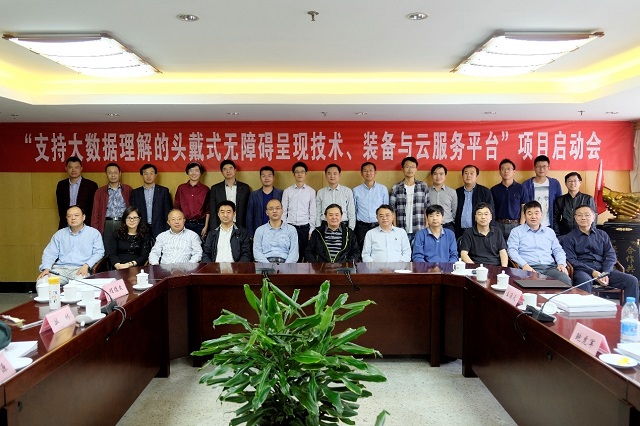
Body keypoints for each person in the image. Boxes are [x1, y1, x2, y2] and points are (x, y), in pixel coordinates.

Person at [561, 205, 639, 299]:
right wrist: (592, 272)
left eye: (587, 215)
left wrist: (606, 272)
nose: (583, 218)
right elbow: (571, 260)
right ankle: (585, 308)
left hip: (603, 269)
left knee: (631, 280)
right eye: (579, 215)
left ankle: (630, 308)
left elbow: (611, 255)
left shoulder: (602, 234)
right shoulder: (569, 238)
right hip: (583, 270)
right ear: (575, 218)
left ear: (593, 217)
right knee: (584, 280)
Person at [507, 200, 571, 285]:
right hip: (530, 268)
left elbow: (557, 250)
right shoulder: (516, 232)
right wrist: (524, 265)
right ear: (524, 215)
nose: (533, 216)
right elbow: (512, 251)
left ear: (541, 215)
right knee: (536, 285)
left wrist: (561, 263)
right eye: (530, 213)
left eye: (536, 213)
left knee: (565, 280)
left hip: (550, 268)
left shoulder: (549, 232)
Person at [37, 206, 104, 284]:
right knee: (42, 282)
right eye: (69, 216)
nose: (73, 218)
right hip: (60, 270)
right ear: (66, 218)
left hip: (81, 269)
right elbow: (50, 253)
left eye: (76, 215)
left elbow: (99, 253)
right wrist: (46, 268)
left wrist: (87, 265)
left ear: (83, 217)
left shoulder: (93, 233)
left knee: (80, 284)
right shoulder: (60, 234)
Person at [91, 162, 133, 255]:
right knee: (108, 249)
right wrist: (95, 231)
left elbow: (132, 209)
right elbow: (95, 213)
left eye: (115, 172)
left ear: (120, 174)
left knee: (124, 248)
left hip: (124, 223)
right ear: (106, 174)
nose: (113, 175)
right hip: (107, 224)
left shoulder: (128, 189)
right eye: (110, 173)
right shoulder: (100, 192)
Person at [389, 157, 429, 245]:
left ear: (416, 169)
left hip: (419, 228)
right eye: (407, 166)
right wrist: (395, 226)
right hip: (401, 229)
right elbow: (393, 209)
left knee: (418, 252)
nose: (410, 169)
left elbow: (426, 207)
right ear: (402, 169)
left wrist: (426, 225)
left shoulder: (423, 186)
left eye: (412, 167)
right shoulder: (396, 188)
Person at [282, 161, 316, 262]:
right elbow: (283, 211)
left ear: (306, 174)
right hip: (290, 226)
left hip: (305, 228)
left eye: (302, 172)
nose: (299, 174)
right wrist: (284, 228)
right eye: (297, 172)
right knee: (291, 253)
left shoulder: (311, 191)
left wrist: (311, 230)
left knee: (304, 254)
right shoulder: (287, 191)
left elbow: (313, 212)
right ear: (293, 174)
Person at [352, 162, 389, 252]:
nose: (368, 173)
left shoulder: (382, 189)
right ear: (361, 173)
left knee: (379, 250)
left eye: (370, 170)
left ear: (375, 172)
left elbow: (386, 209)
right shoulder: (356, 190)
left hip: (378, 225)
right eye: (365, 171)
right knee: (362, 251)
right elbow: (354, 210)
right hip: (361, 227)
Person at [130, 163, 173, 238]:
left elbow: (168, 212)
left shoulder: (164, 191)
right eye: (145, 174)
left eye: (151, 173)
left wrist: (168, 230)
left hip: (160, 228)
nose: (148, 176)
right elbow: (132, 213)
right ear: (142, 175)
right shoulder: (135, 193)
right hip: (141, 229)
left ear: (155, 175)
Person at [459, 202, 508, 267]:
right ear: (475, 217)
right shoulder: (468, 233)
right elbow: (463, 254)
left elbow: (503, 252)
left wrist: (503, 268)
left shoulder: (497, 232)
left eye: (486, 214)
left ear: (491, 217)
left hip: (495, 267)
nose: (483, 217)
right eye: (480, 214)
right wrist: (475, 268)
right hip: (475, 267)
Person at [56, 156, 98, 229]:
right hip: (66, 224)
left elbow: (93, 208)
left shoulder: (91, 185)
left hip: (85, 224)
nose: (73, 170)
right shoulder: (61, 185)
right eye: (70, 167)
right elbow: (60, 208)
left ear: (81, 168)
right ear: (66, 168)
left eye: (76, 167)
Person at [490, 159, 527, 239]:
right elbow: (491, 209)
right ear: (500, 172)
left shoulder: (521, 188)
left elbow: (524, 208)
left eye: (508, 169)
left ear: (514, 172)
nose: (506, 171)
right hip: (498, 224)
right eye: (503, 169)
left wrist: (521, 225)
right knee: (498, 246)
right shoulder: (494, 190)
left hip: (515, 224)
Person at [454, 164, 494, 238]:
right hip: (460, 231)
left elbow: (491, 211)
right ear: (462, 176)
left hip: (478, 231)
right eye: (466, 173)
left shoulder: (485, 191)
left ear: (476, 176)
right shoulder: (457, 192)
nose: (468, 176)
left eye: (472, 173)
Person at [522, 155, 562, 229]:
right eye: (538, 167)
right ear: (534, 168)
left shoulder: (555, 183)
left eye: (544, 166)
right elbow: (523, 206)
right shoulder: (526, 185)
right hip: (531, 224)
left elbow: (559, 204)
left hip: (549, 224)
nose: (541, 169)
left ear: (549, 167)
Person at [253, 199, 299, 263]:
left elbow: (294, 253)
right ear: (267, 212)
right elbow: (257, 252)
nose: (274, 211)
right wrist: (268, 266)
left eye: (277, 208)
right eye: (271, 209)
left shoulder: (291, 230)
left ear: (282, 211)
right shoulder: (260, 230)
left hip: (286, 264)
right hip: (265, 265)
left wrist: (285, 266)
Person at [553, 172, 597, 239]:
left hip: (584, 235)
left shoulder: (588, 199)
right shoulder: (560, 200)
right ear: (565, 183)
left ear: (580, 182)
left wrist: (591, 234)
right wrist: (558, 235)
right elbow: (555, 219)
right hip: (565, 234)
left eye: (575, 181)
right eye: (570, 181)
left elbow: (594, 217)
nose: (572, 183)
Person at [209, 160, 250, 229]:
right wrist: (214, 229)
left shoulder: (245, 188)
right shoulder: (215, 189)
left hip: (240, 225)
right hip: (221, 225)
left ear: (235, 170)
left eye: (230, 168)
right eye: (225, 169)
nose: (228, 171)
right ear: (222, 172)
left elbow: (248, 210)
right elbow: (213, 211)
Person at [174, 162, 210, 240]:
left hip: (200, 225)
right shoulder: (181, 188)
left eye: (196, 170)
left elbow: (208, 210)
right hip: (184, 224)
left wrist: (206, 226)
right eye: (191, 170)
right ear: (187, 172)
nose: (194, 173)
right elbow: (176, 206)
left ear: (200, 173)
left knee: (199, 246)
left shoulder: (205, 189)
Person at [246, 166, 284, 238]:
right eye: (263, 176)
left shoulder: (281, 194)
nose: (266, 178)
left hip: (278, 231)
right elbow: (249, 214)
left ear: (273, 178)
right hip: (259, 232)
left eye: (269, 176)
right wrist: (250, 234)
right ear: (260, 178)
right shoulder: (254, 195)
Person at [315, 163, 356, 229]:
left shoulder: (347, 191)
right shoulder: (320, 192)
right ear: (325, 175)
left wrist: (351, 228)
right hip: (325, 225)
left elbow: (351, 212)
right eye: (329, 174)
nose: (332, 176)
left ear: (339, 175)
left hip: (343, 225)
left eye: (335, 173)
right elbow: (318, 213)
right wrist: (318, 228)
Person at [427, 163, 457, 234]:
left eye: (441, 174)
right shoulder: (426, 191)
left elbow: (454, 211)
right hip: (430, 226)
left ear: (445, 176)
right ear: (431, 176)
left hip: (447, 226)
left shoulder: (452, 192)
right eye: (435, 174)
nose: (438, 176)